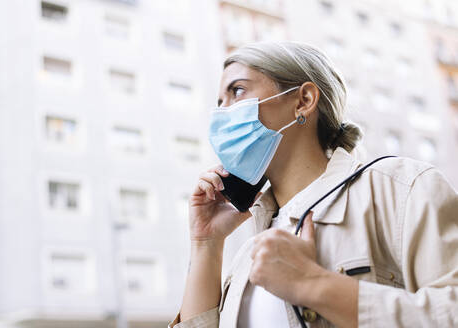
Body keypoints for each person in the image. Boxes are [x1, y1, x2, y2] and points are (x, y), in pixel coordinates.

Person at [169, 41, 458, 328]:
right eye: (220, 102)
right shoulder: (249, 253)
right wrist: (206, 243)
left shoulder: (399, 189)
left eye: (238, 91)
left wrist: (313, 285)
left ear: (304, 100)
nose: (222, 114)